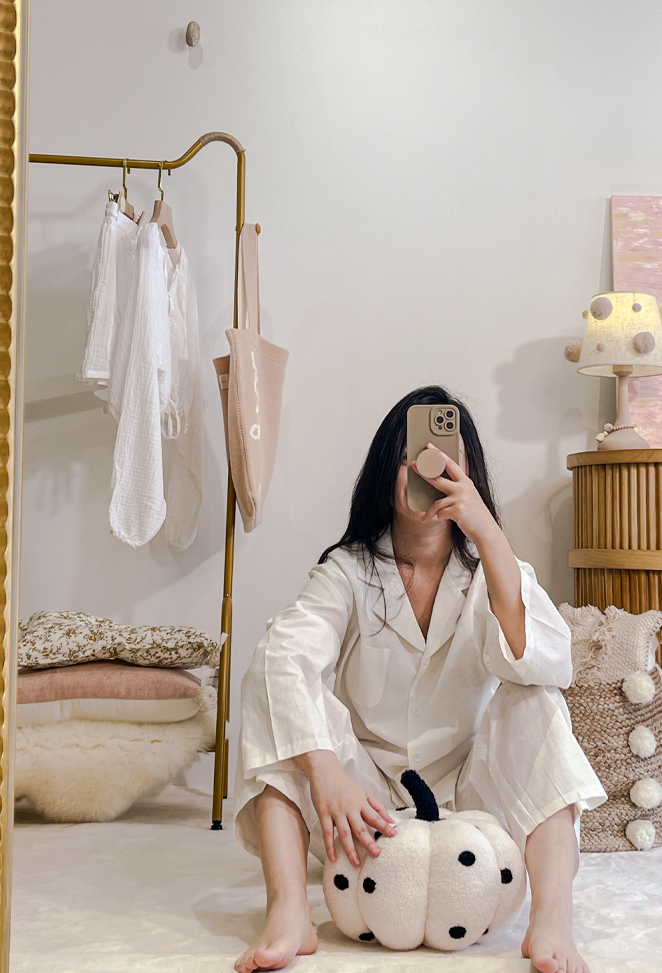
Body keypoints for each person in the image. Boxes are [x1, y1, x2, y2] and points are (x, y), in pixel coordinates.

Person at [234, 386, 605, 973]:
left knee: (534, 696)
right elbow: (284, 660)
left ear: (468, 473)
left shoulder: (491, 569)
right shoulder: (348, 570)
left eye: (441, 459)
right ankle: (288, 910)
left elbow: (547, 661)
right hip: (362, 808)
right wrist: (326, 773)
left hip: (470, 804)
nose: (425, 473)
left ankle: (553, 919)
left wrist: (489, 534)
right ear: (387, 471)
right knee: (275, 667)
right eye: (409, 458)